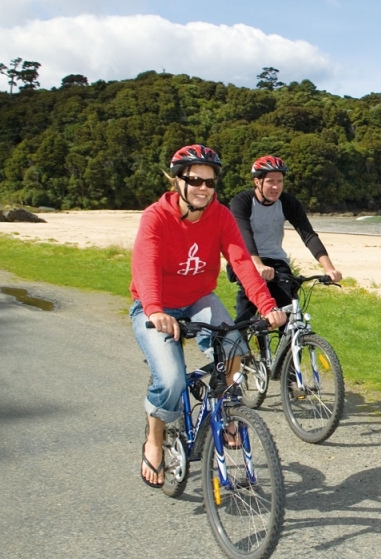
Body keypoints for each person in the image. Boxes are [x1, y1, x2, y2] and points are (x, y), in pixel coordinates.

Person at [131, 144, 286, 488]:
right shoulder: (155, 217)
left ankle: (226, 412)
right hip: (154, 307)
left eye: (210, 183)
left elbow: (241, 261)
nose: (203, 188)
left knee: (234, 348)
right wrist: (155, 310)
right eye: (195, 180)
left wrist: (267, 306)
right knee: (171, 381)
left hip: (199, 298)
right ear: (177, 181)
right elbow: (145, 266)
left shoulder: (220, 216)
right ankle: (154, 441)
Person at [229, 155, 342, 324]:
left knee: (289, 311)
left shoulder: (287, 202)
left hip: (275, 260)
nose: (276, 187)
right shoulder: (242, 202)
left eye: (280, 181)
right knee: (246, 313)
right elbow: (245, 235)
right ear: (257, 182)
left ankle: (290, 348)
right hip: (247, 260)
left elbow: (308, 234)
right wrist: (258, 265)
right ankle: (239, 344)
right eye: (270, 181)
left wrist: (329, 268)